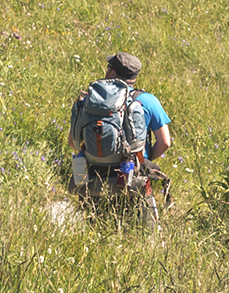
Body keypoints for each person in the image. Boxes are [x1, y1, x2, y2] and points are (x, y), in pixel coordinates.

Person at [69, 52, 174, 200]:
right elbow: (165, 142)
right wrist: (142, 159)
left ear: (112, 73)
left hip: (93, 179)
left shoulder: (89, 101)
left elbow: (72, 141)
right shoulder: (148, 101)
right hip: (131, 178)